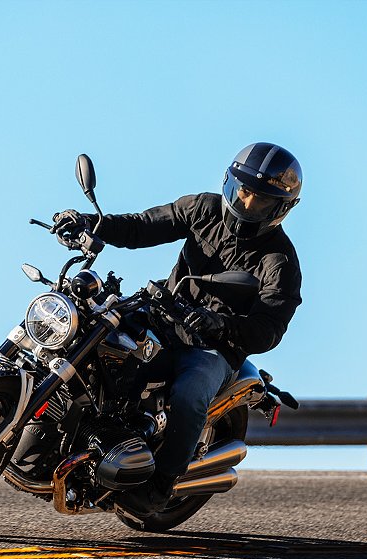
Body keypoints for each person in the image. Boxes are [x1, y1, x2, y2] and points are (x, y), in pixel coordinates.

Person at [52, 142, 303, 516]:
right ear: (230, 183)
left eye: (261, 200)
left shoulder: (279, 260)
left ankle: (160, 484)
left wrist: (222, 324)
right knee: (90, 331)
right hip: (161, 316)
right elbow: (143, 226)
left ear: (280, 209)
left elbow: (269, 327)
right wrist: (92, 224)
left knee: (189, 393)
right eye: (244, 191)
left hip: (214, 348)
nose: (247, 204)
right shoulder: (203, 208)